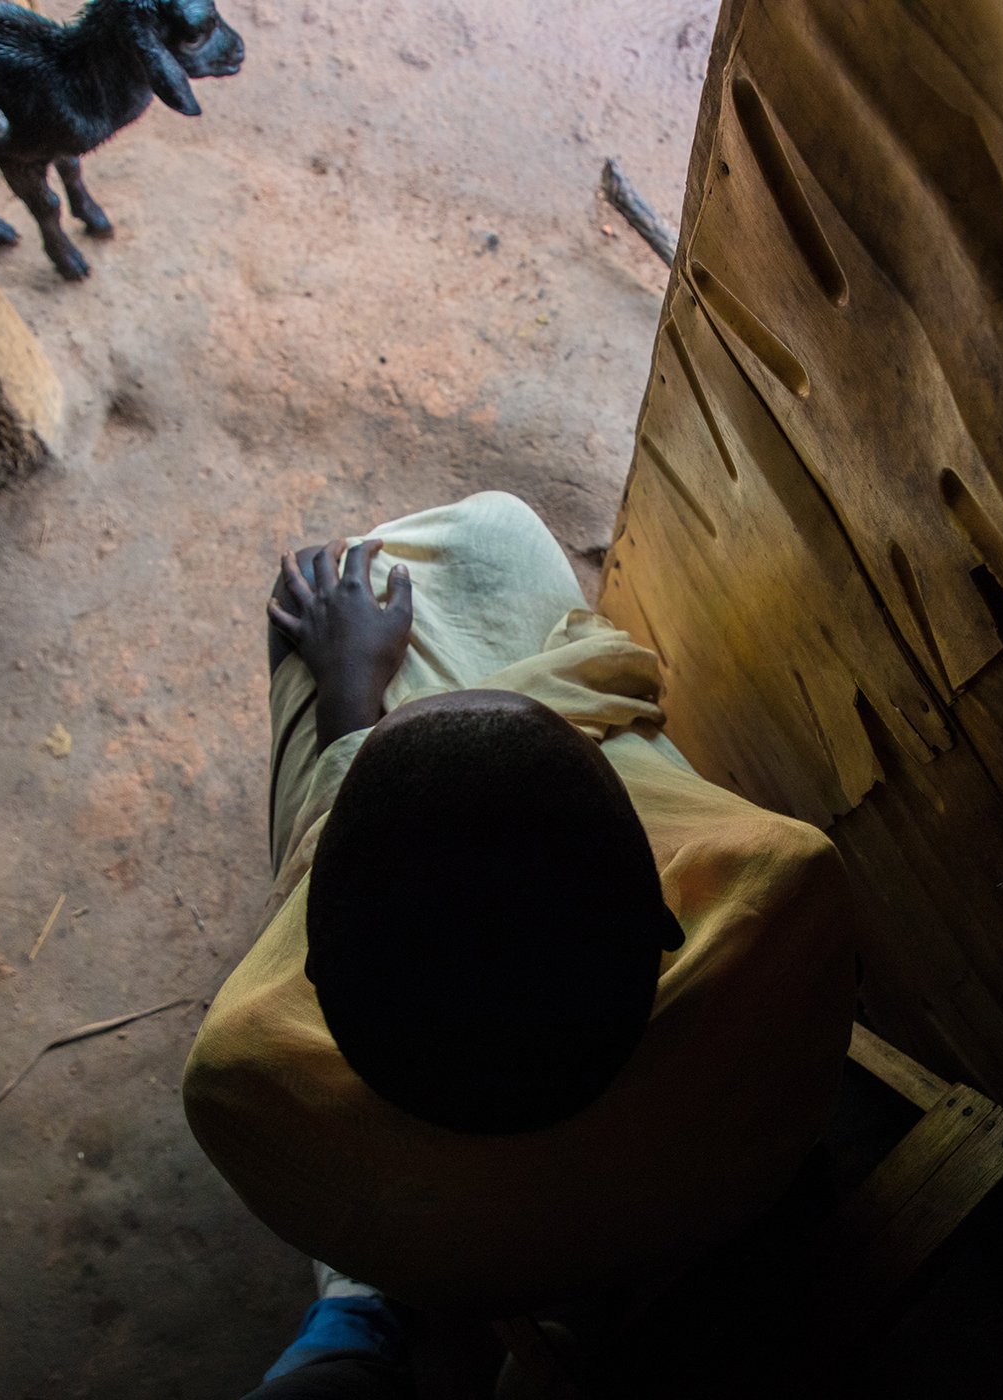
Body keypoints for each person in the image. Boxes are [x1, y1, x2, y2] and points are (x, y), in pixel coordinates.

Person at [183, 492, 855, 1395]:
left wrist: (353, 701)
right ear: (667, 918)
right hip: (717, 1200)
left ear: (314, 983)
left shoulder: (240, 1075)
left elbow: (332, 853)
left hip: (464, 1266)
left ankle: (358, 1310)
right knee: (496, 533)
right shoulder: (782, 891)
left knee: (324, 591)